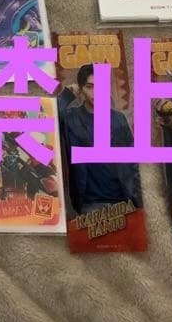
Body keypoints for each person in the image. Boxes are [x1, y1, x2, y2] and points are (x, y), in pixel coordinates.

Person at [58, 64, 143, 214]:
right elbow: (47, 119)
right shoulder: (72, 118)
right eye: (89, 87)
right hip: (90, 204)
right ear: (81, 89)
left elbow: (132, 162)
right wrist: (67, 95)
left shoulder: (118, 119)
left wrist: (138, 201)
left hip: (123, 201)